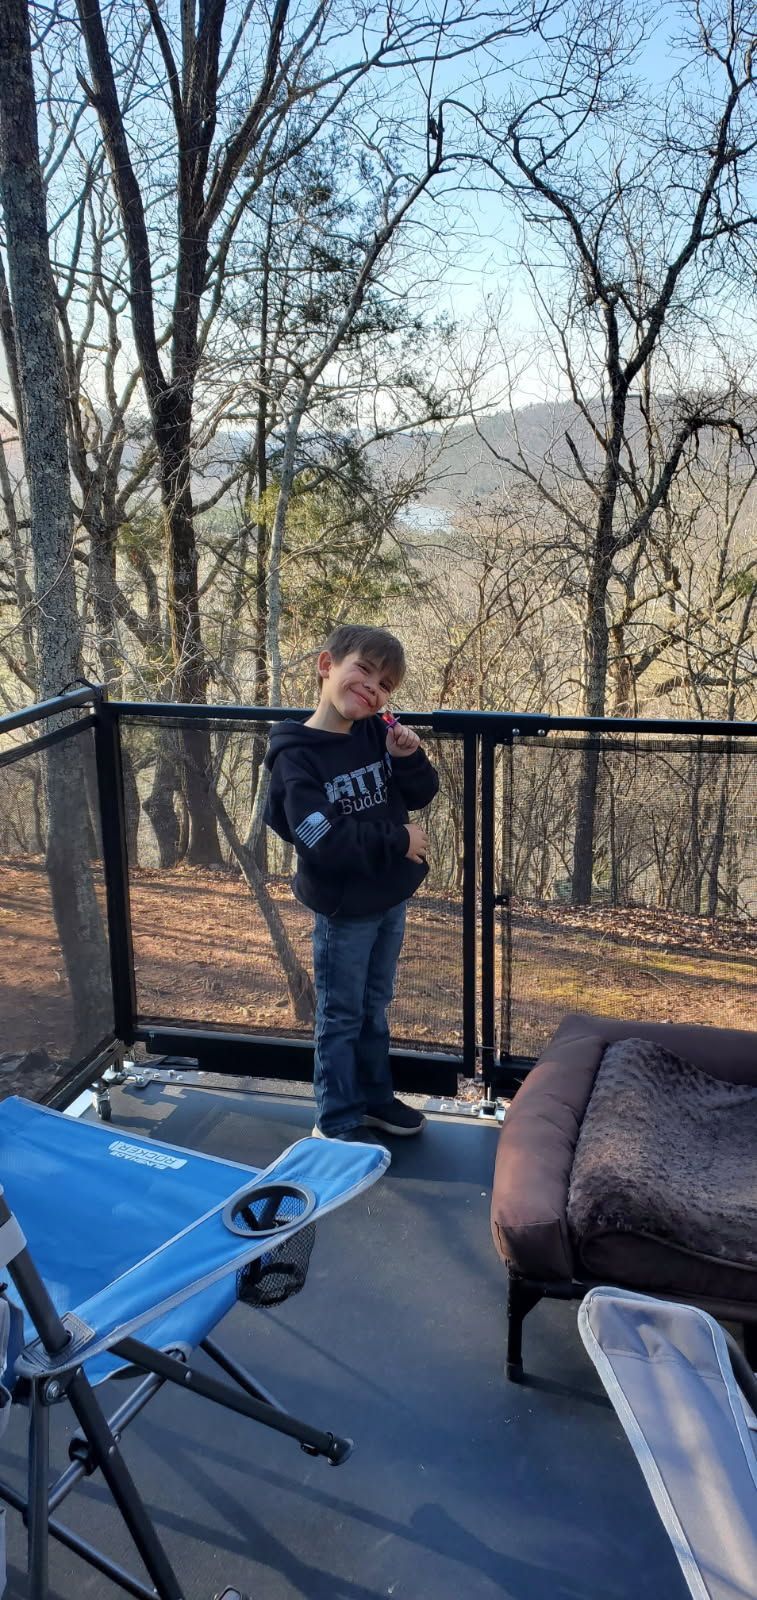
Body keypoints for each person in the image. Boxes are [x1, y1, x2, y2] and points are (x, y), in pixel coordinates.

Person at [264, 624, 439, 1141]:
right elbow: (322, 839)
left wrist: (409, 757)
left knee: (375, 1005)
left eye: (385, 684)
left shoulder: (374, 734)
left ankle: (375, 1098)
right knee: (340, 1015)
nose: (372, 687)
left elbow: (422, 794)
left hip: (389, 898)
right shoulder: (297, 756)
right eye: (363, 670)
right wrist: (398, 841)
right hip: (345, 909)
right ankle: (336, 1119)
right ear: (327, 665)